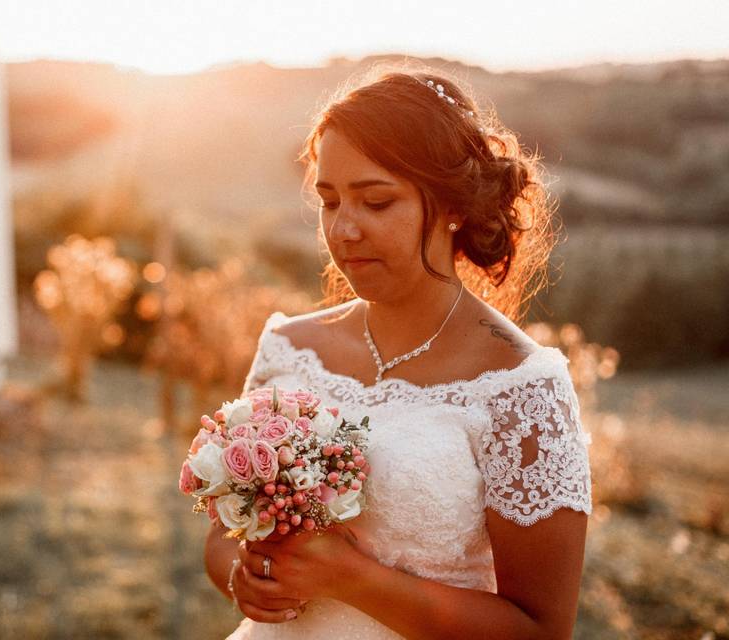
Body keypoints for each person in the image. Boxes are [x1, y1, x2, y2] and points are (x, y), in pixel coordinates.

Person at [203, 64, 592, 639]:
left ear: (453, 204)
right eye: (330, 201)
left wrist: (351, 579)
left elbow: (540, 630)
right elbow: (223, 538)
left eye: (376, 202)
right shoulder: (289, 347)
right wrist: (245, 576)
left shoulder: (519, 388)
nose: (344, 230)